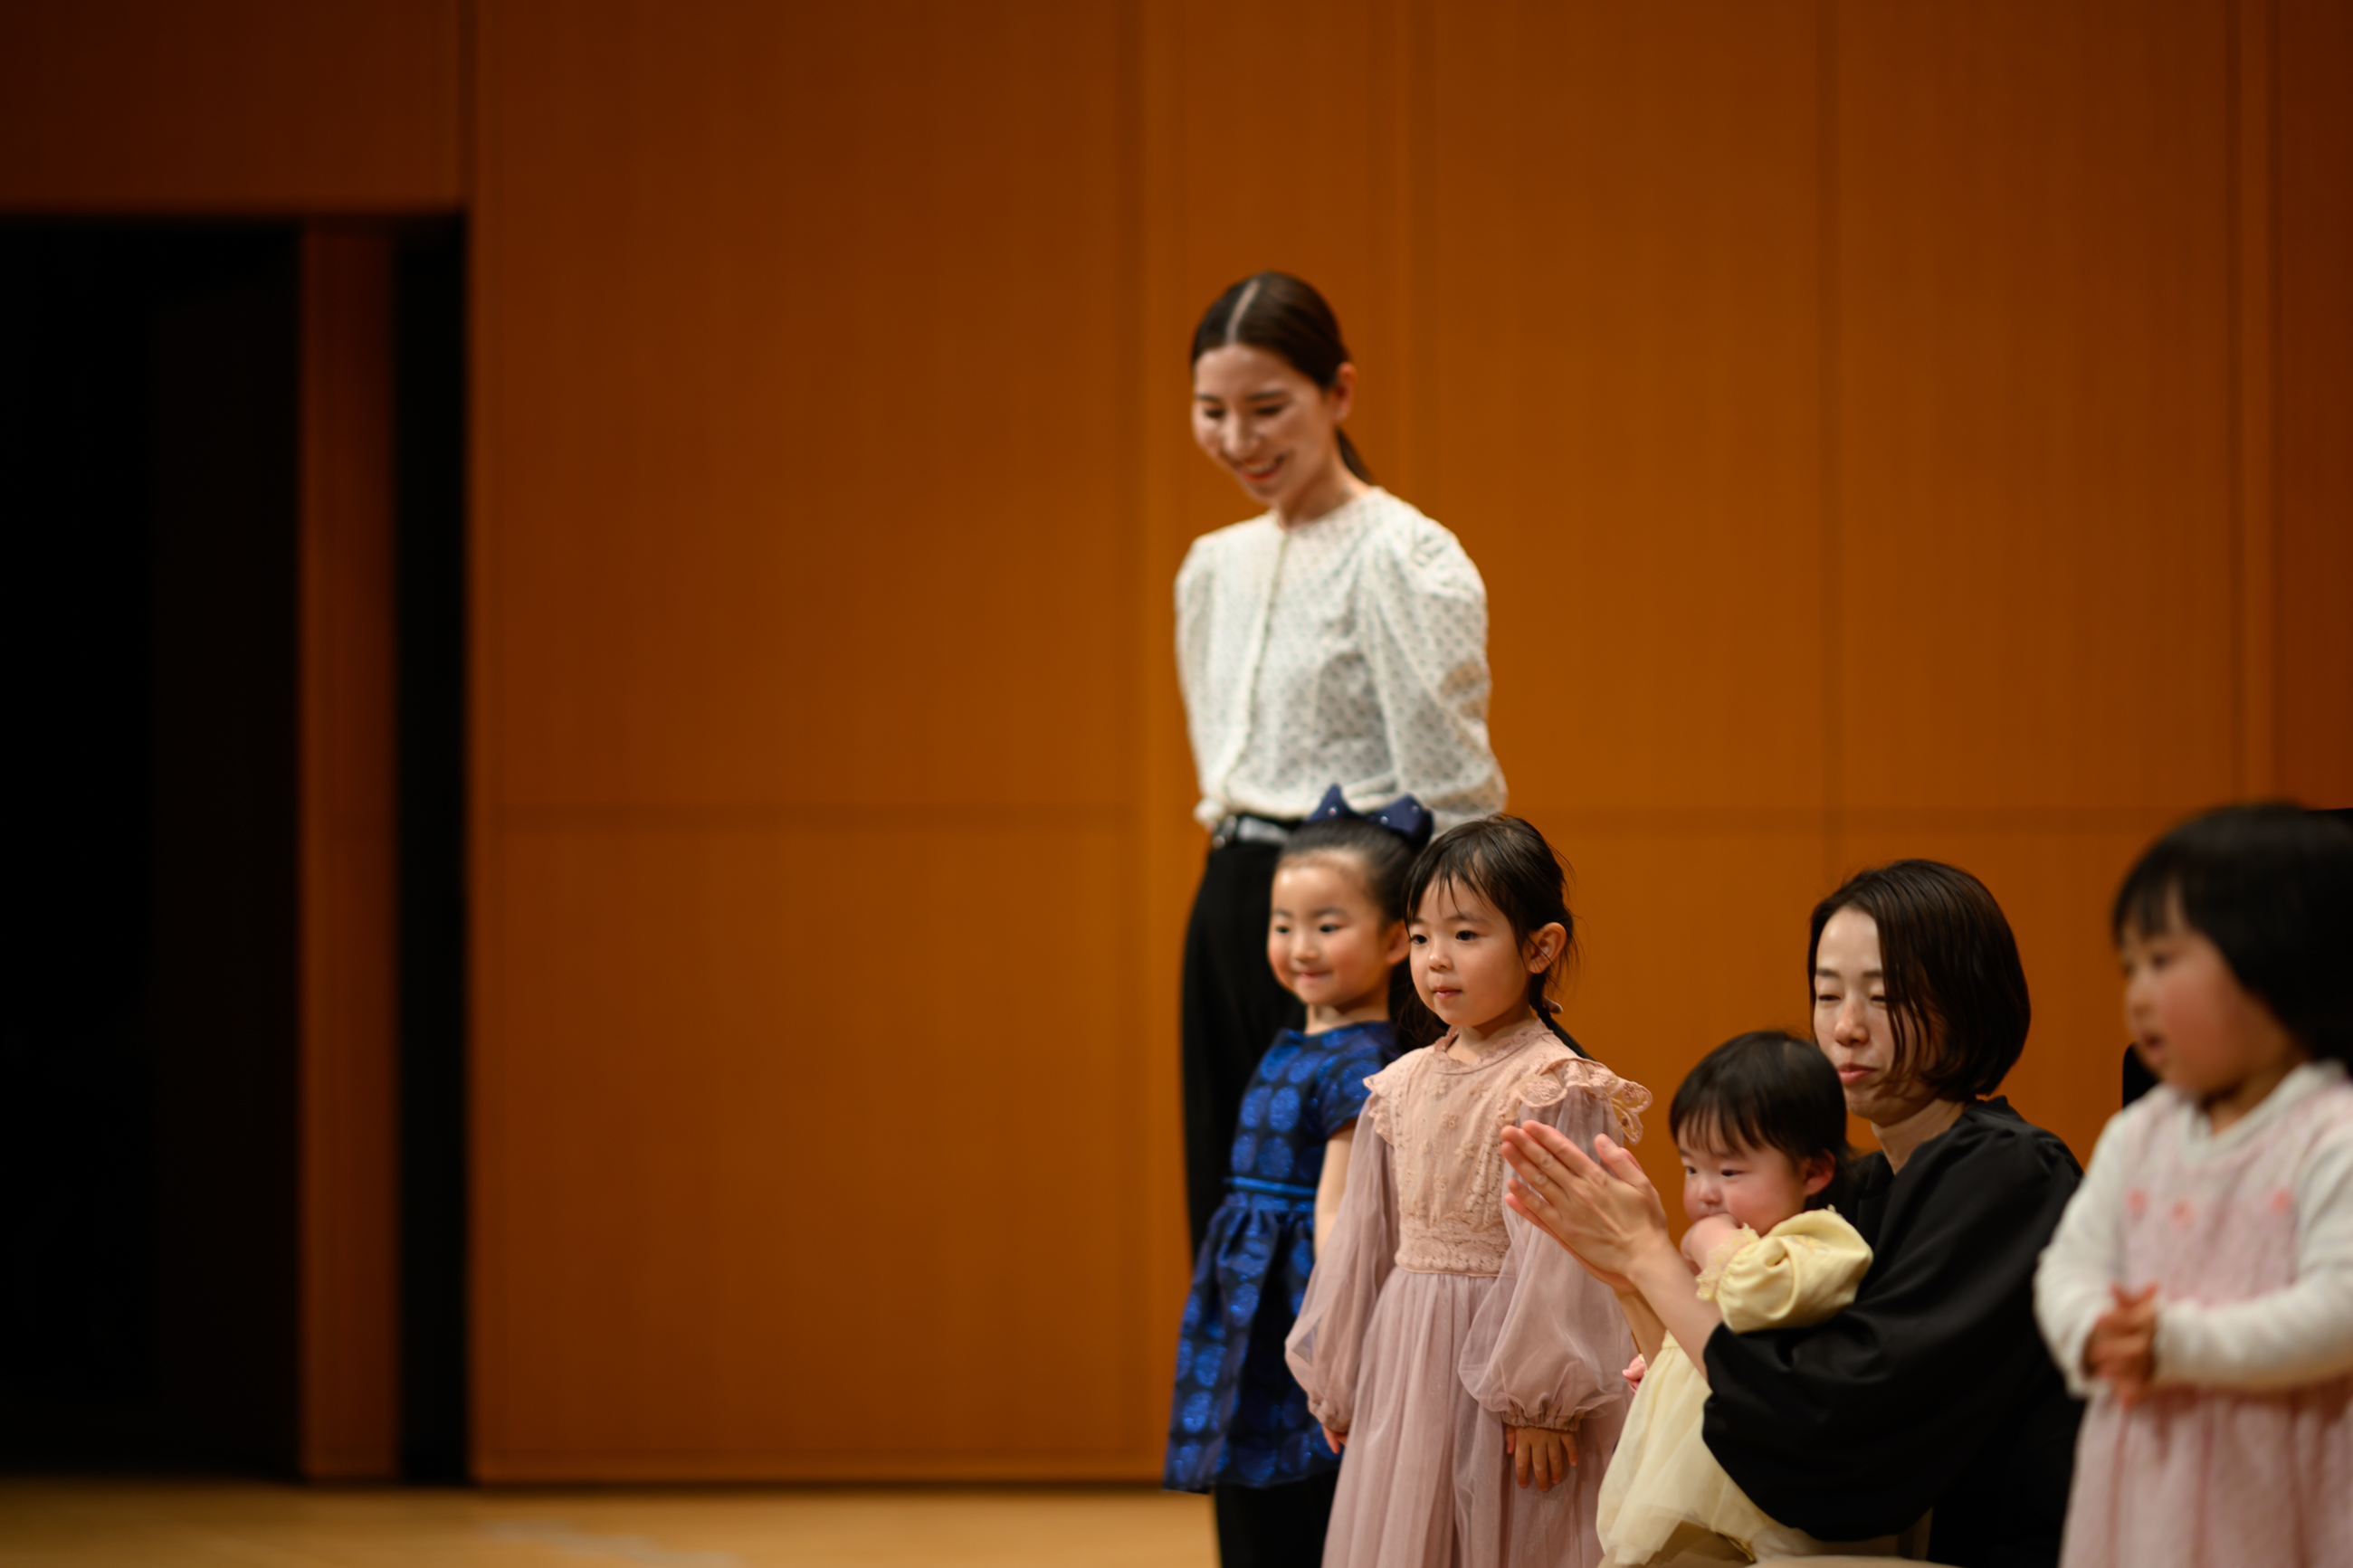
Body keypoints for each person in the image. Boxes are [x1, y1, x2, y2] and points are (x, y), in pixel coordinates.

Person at [1500, 860, 2083, 1568]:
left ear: (1967, 999)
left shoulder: (2009, 1171)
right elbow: (1740, 1410)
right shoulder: (1855, 1186)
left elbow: (1834, 1435)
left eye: (1886, 996)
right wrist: (1630, 1273)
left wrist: (1656, 1261)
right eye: (1827, 992)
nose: (1846, 1027)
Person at [1176, 271, 1506, 1258]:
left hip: (1360, 917)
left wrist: (1446, 961)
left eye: (1266, 408)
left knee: (1343, 1222)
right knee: (1226, 1195)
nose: (1239, 440)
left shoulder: (1401, 554)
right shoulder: (1209, 564)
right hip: (1236, 895)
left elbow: (1452, 793)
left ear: (1339, 394)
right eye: (1212, 411)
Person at [1286, 816, 1648, 1568]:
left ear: (1540, 947)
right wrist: (1343, 1373)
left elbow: (1567, 1250)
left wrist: (1543, 1399)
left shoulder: (1553, 1083)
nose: (1436, 960)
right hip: (1408, 1357)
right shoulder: (1398, 1083)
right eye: (1420, 938)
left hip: (1507, 1364)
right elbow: (1365, 1240)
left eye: (1466, 935)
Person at [2033, 804, 2353, 1567]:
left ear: (2281, 963)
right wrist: (2089, 1329)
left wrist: (2180, 1343)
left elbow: (2341, 1308)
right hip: (2147, 1462)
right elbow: (2068, 1263)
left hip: (2278, 1470)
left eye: (2164, 960)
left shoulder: (2330, 1132)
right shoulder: (2141, 1134)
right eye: (2130, 966)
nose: (2138, 993)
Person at [1167, 787, 1434, 1566]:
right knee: (1265, 1477)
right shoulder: (1294, 1039)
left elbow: (1342, 1213)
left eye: (1327, 925)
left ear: (1394, 940)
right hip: (1257, 1280)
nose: (1301, 946)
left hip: (1304, 1294)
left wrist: (1332, 1332)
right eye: (1284, 927)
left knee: (1313, 1473)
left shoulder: (1362, 1062)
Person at [1598, 1031, 1931, 1565]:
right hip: (1701, 1502)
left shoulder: (1820, 1240)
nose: (1705, 1192)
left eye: (1729, 1171)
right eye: (1691, 1168)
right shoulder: (1738, 1253)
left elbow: (1762, 1295)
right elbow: (1714, 1349)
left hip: (1777, 1520)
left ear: (1812, 1172)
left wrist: (1711, 1242)